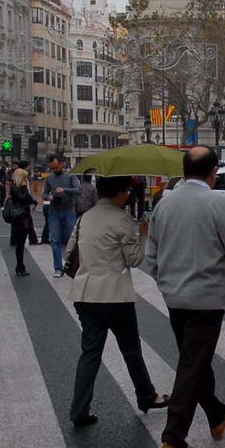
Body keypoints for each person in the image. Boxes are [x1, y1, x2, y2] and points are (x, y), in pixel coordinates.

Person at [144, 146, 225, 448]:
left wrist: (165, 282)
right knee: (192, 365)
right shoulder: (219, 204)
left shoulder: (165, 203)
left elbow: (151, 256)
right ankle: (173, 437)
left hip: (174, 298)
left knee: (194, 361)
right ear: (213, 171)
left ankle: (215, 415)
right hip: (206, 299)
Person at [67, 175, 169, 427]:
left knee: (90, 353)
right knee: (131, 349)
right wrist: (141, 235)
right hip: (114, 296)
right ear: (119, 194)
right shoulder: (123, 219)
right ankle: (146, 396)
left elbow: (70, 252)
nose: (128, 195)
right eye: (126, 191)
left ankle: (78, 410)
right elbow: (134, 259)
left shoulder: (84, 218)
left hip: (85, 294)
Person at [43, 154, 81, 278]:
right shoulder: (49, 178)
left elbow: (78, 190)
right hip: (54, 211)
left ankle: (74, 266)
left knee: (73, 240)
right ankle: (58, 268)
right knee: (55, 240)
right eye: (52, 168)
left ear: (61, 164)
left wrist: (64, 190)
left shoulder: (71, 175)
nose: (54, 170)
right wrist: (49, 197)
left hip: (69, 210)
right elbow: (44, 194)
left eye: (56, 167)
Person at [8, 164, 37, 277]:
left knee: (21, 242)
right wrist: (24, 188)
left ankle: (20, 266)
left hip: (25, 216)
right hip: (19, 217)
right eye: (24, 177)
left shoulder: (19, 187)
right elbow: (22, 197)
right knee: (20, 244)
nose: (26, 180)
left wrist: (33, 202)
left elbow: (29, 198)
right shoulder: (15, 187)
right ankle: (19, 266)